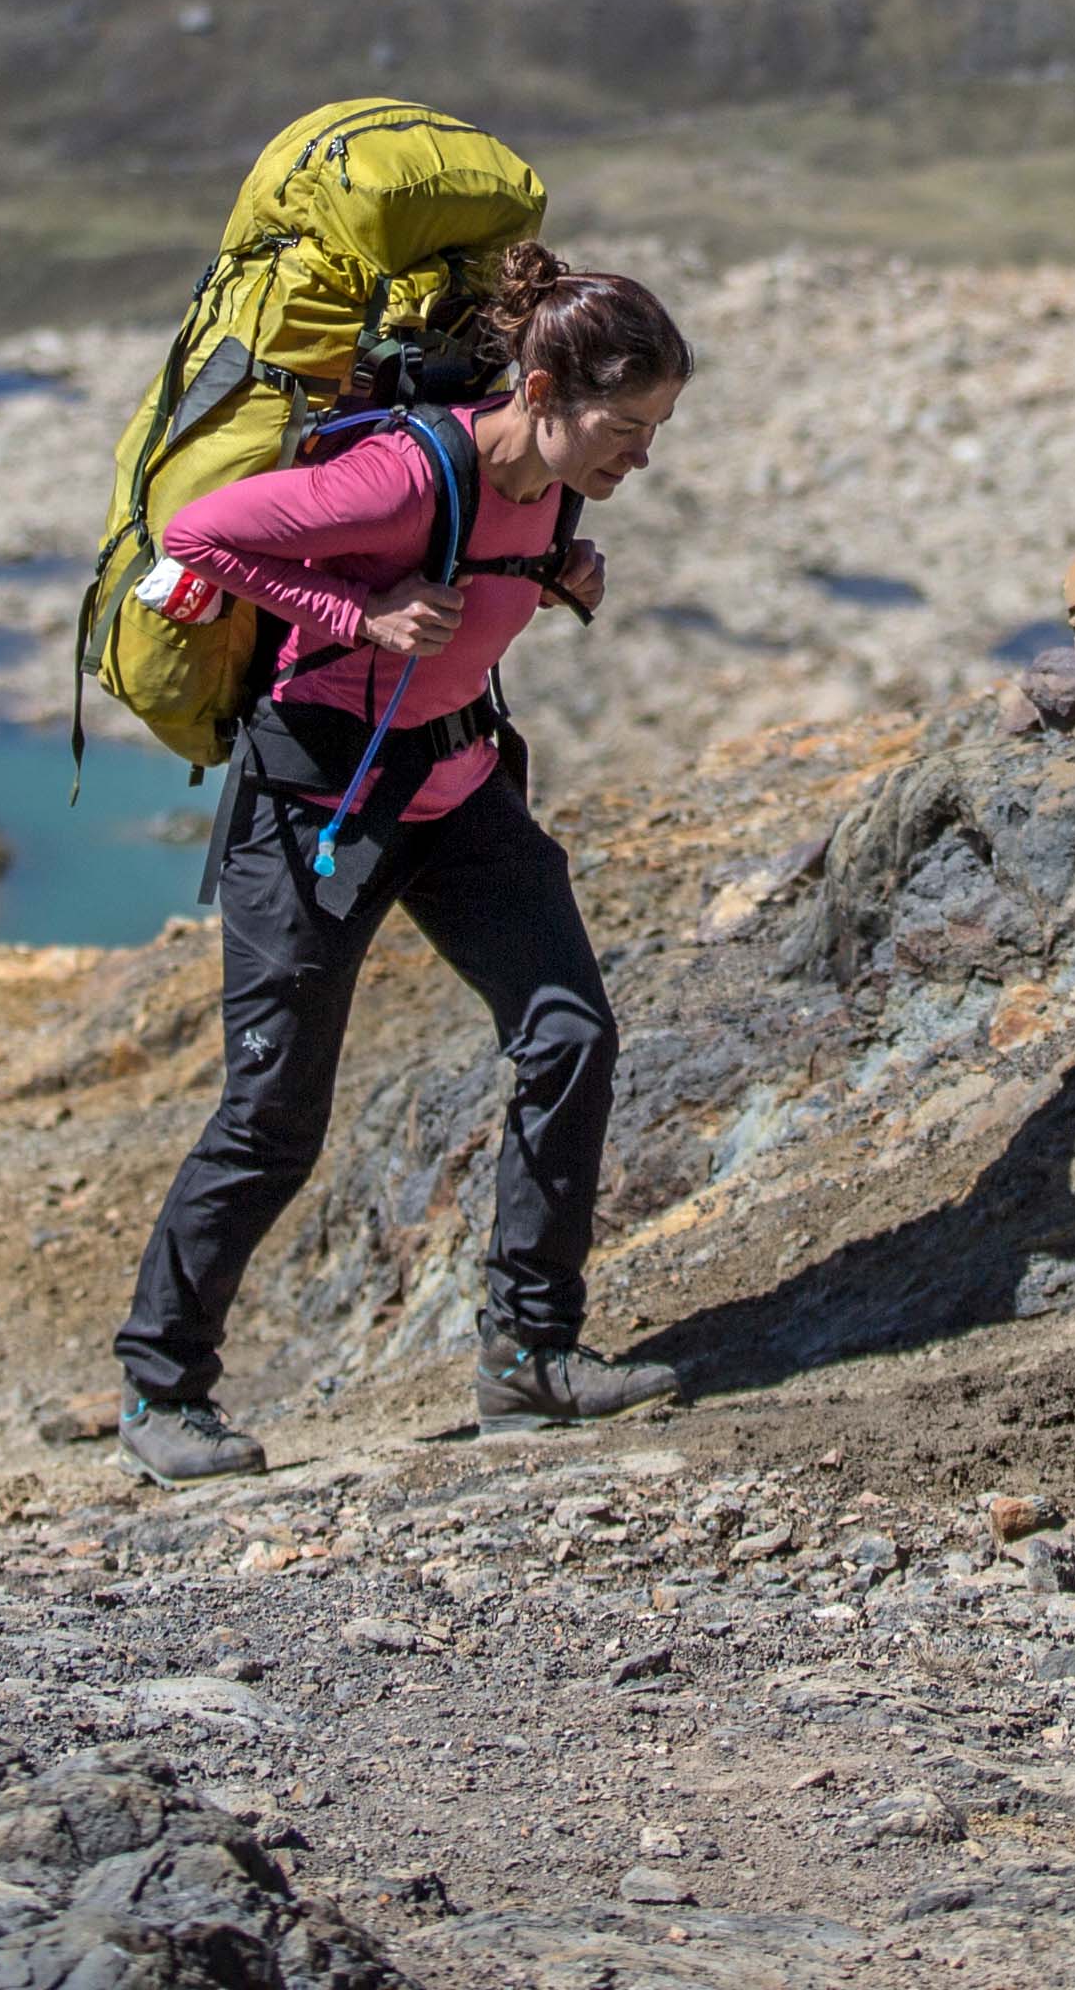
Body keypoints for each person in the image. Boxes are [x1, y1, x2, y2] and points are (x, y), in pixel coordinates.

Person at [108, 245, 694, 1480]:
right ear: (540, 394)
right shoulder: (394, 481)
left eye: (655, 431)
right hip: (317, 806)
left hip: (460, 782)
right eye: (625, 427)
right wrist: (353, 618)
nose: (638, 457)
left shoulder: (551, 488)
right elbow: (201, 531)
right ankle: (163, 1393)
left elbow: (497, 584)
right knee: (273, 1119)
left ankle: (529, 1354)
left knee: (569, 1033)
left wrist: (560, 575)